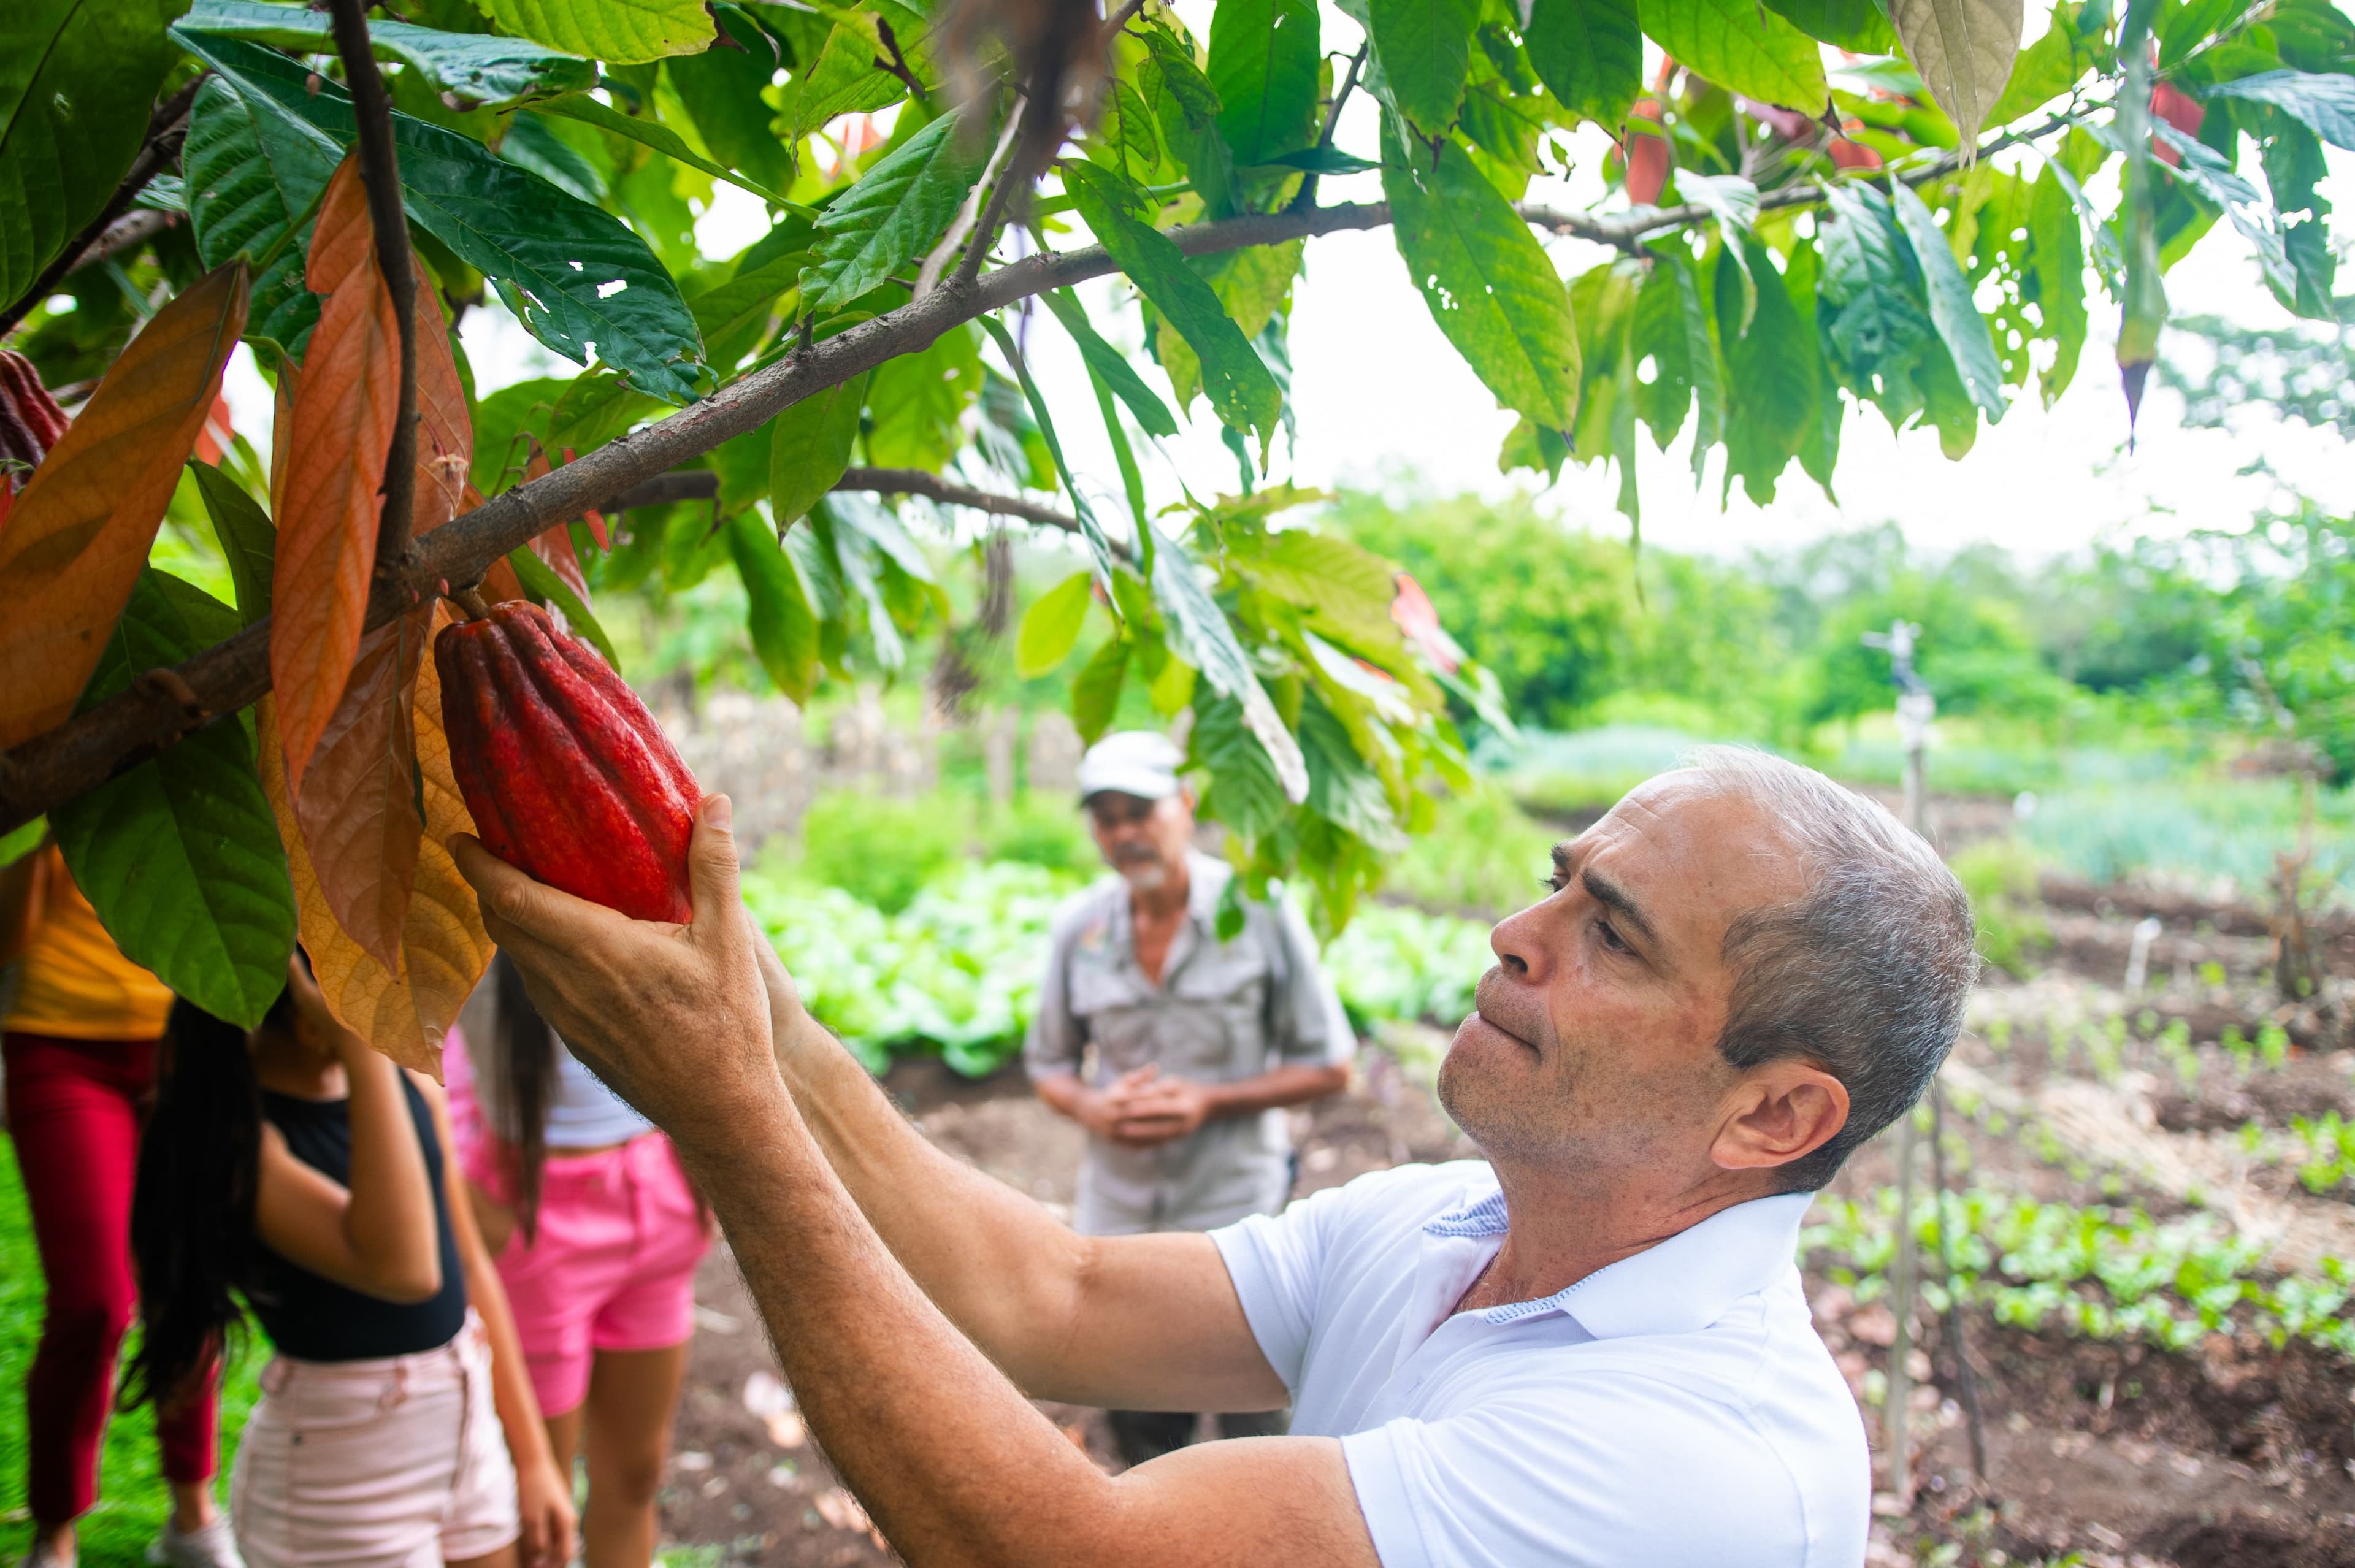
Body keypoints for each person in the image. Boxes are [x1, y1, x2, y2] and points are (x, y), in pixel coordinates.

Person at [457, 746, 1979, 1567]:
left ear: (1773, 1115)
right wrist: (760, 1018)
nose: (1517, 936)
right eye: (1555, 883)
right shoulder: (1444, 1227)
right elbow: (1045, 1291)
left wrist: (729, 1111)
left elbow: (1067, 1556)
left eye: (1613, 933)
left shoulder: (1694, 1460)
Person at [120, 954, 576, 1568]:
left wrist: (533, 1460)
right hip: (341, 1479)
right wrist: (362, 1050)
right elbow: (406, 1268)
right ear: (317, 1012)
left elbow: (470, 1270)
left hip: (465, 1431)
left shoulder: (406, 1087)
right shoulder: (242, 1145)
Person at [1028, 730, 1352, 1464]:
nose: (1124, 833)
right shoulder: (1080, 927)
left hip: (1234, 1219)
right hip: (1120, 1224)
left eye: (1139, 810)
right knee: (1141, 1429)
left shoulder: (1259, 910)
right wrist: (1092, 1106)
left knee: (1258, 1435)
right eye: (1106, 817)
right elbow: (1048, 1064)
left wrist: (1211, 1100)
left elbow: (1331, 1065)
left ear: (1185, 804)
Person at [1, 843, 239, 1568]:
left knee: (191, 1280)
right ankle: (57, 1527)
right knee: (96, 1301)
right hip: (59, 1041)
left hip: (185, 1036)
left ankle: (193, 1512)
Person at [443, 953, 710, 1568]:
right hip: (533, 1212)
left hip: (656, 1196)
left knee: (638, 1475)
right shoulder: (464, 864)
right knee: (537, 1508)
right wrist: (468, 1182)